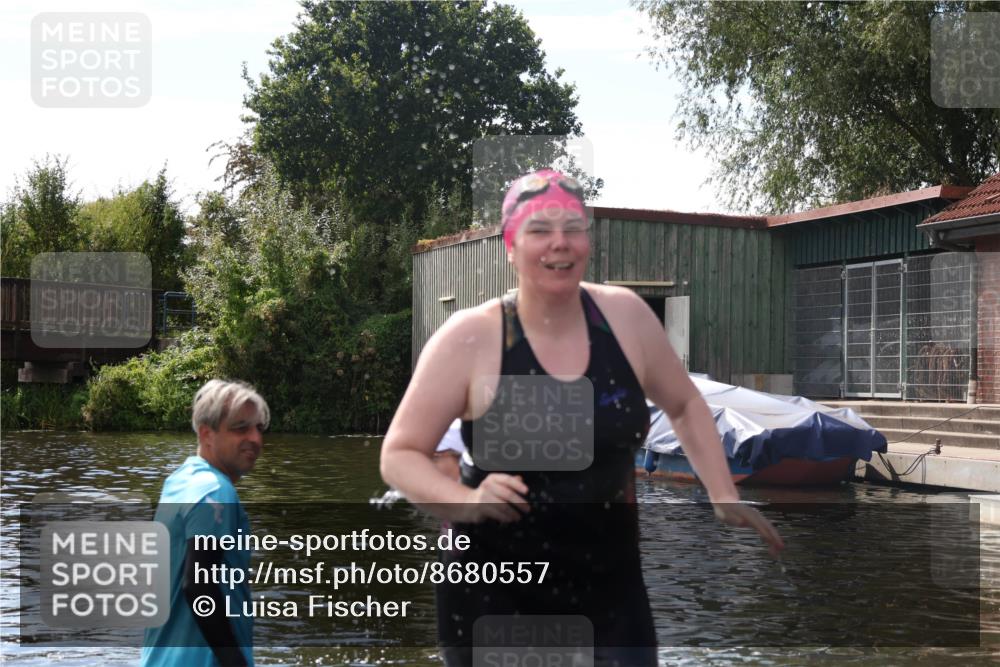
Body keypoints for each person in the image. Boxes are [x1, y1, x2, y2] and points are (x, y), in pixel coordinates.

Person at [380, 169, 784, 666]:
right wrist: (462, 500)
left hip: (608, 581)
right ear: (510, 244)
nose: (560, 243)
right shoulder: (470, 337)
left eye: (572, 227)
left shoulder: (627, 319)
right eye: (540, 230)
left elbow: (684, 403)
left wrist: (722, 492)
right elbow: (400, 454)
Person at [142, 379, 270, 667]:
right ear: (206, 434)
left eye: (259, 428)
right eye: (241, 428)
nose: (255, 438)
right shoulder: (215, 492)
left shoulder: (180, 480)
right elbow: (198, 585)